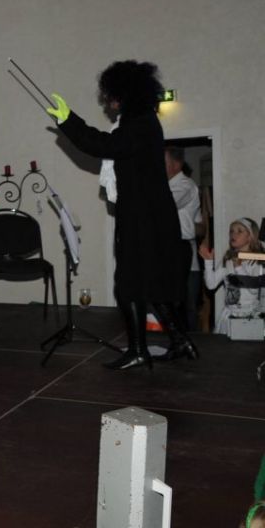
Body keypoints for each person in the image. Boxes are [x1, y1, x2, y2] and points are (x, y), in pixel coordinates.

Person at [47, 60, 187, 370]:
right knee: (152, 282)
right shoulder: (144, 121)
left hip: (142, 217)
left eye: (111, 95)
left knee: (128, 285)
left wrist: (69, 121)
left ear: (125, 94)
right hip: (149, 214)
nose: (108, 102)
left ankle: (138, 351)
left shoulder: (139, 123)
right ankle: (181, 341)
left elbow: (104, 145)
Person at [199, 218, 265, 334]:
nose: (233, 234)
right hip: (229, 316)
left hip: (250, 317)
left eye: (239, 231)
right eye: (231, 231)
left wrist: (239, 267)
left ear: (250, 237)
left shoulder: (257, 260)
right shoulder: (228, 259)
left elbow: (253, 290)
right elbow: (211, 284)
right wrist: (208, 262)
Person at [164, 146, 203, 336]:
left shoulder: (185, 185)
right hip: (169, 251)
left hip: (182, 253)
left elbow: (165, 205)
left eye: (162, 162)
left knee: (186, 307)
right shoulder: (165, 186)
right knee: (168, 303)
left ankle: (190, 343)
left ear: (176, 164)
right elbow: (198, 224)